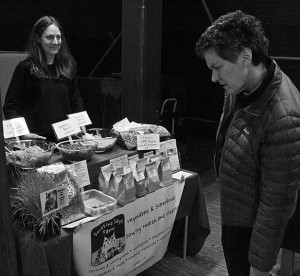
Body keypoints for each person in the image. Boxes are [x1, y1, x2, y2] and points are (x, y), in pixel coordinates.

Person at [195, 10, 300, 276]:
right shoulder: (240, 85)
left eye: (217, 67)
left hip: (252, 228)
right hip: (236, 211)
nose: (213, 78)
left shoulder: (282, 115)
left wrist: (259, 267)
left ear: (245, 56)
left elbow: (276, 204)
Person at [3, 16, 84, 142]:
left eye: (59, 37)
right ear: (38, 39)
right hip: (38, 142)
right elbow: (11, 106)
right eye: (50, 37)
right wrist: (23, 134)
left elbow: (75, 99)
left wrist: (80, 123)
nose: (56, 42)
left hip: (67, 139)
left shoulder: (68, 64)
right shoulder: (25, 68)